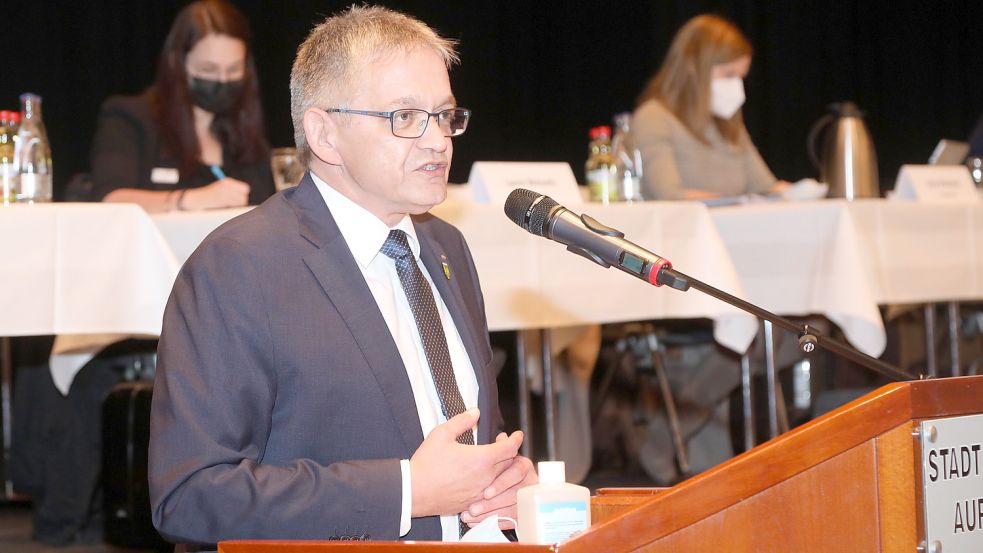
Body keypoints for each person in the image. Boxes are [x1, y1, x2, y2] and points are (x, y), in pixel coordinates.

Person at [148, 6, 536, 548]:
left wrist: (504, 482)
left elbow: (458, 433)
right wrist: (407, 492)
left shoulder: (446, 247)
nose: (438, 140)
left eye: (445, 115)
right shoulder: (238, 266)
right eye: (404, 117)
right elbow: (191, 495)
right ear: (324, 134)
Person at [90, 0, 274, 212]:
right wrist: (189, 199)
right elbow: (111, 200)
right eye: (208, 69)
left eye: (233, 70)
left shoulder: (245, 136)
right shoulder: (131, 119)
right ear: (178, 64)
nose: (222, 80)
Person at [632, 14, 788, 201]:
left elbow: (766, 187)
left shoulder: (729, 122)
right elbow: (670, 195)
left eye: (741, 77)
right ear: (692, 66)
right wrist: (736, 202)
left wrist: (805, 193)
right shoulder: (654, 117)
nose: (736, 86)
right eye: (728, 75)